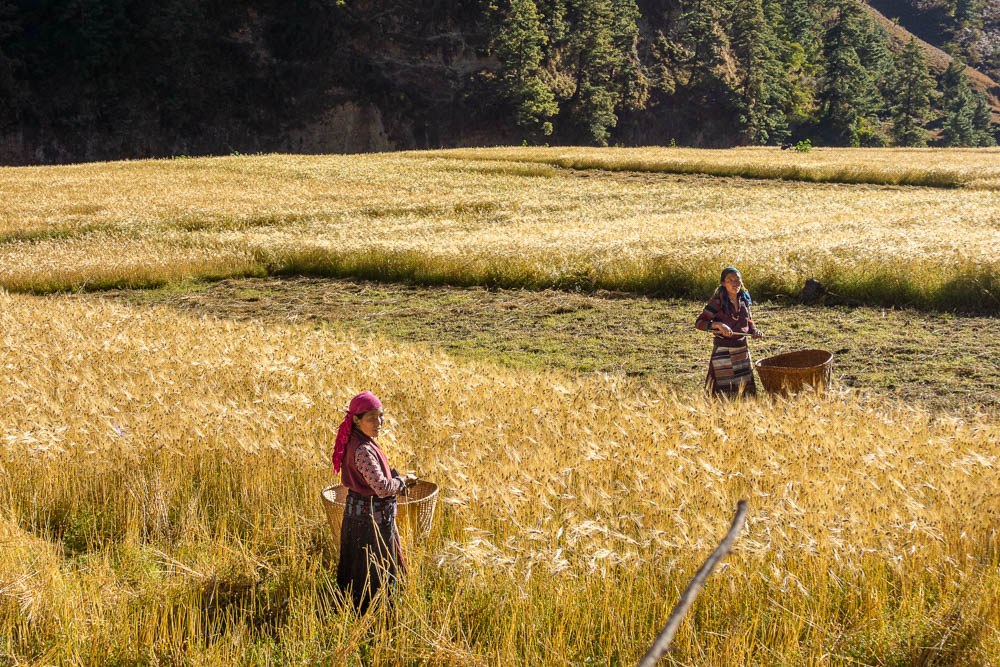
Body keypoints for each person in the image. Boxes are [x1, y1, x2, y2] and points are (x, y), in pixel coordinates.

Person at [332, 391, 416, 613]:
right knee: (371, 573)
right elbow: (381, 488)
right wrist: (403, 481)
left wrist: (396, 478)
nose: (378, 423)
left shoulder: (361, 442)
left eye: (381, 417)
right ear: (357, 420)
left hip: (362, 518)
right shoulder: (362, 450)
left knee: (360, 572)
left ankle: (359, 612)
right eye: (371, 418)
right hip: (369, 524)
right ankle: (372, 616)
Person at [695, 267, 764, 396]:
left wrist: (754, 330)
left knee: (744, 394)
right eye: (730, 280)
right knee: (722, 394)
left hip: (742, 351)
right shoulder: (717, 302)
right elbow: (699, 323)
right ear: (723, 283)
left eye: (737, 280)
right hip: (723, 353)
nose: (735, 284)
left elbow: (749, 320)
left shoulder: (744, 300)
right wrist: (718, 325)